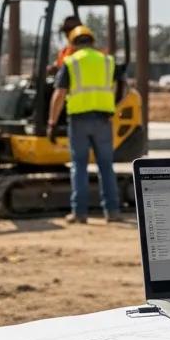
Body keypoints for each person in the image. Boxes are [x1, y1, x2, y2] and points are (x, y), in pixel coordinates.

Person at [46, 24, 123, 225]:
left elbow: (59, 94)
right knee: (106, 166)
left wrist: (52, 122)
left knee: (79, 166)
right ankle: (112, 211)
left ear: (72, 44)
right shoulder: (107, 61)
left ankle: (79, 213)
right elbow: (116, 88)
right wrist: (111, 108)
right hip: (103, 119)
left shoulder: (71, 62)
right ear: (92, 41)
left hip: (79, 120)